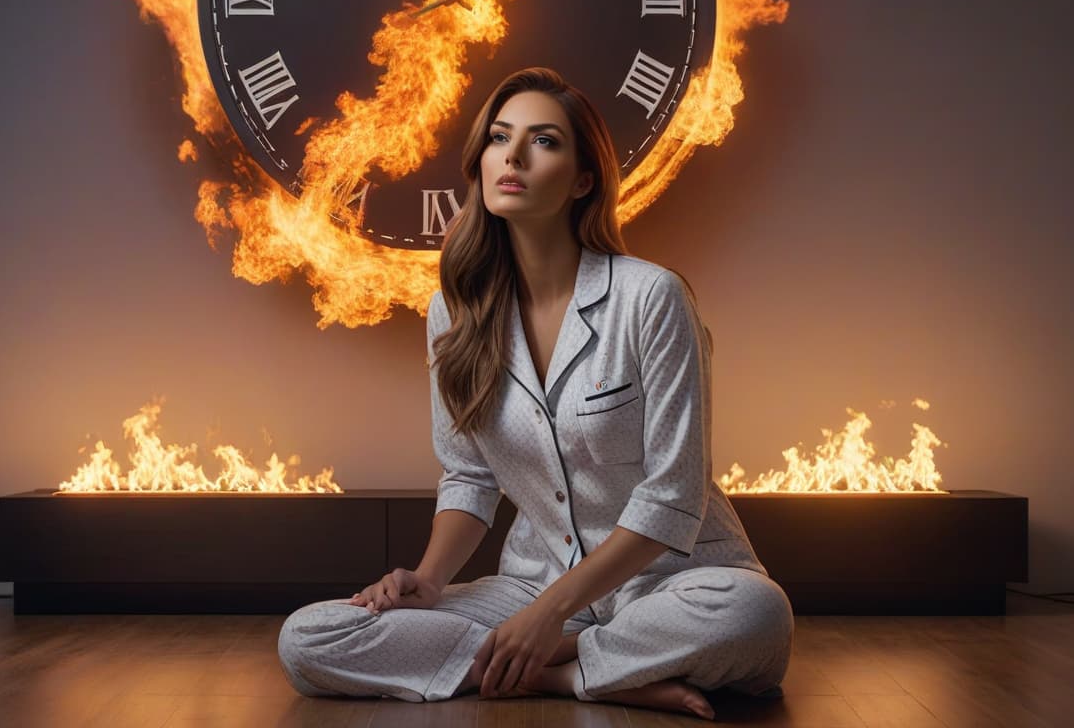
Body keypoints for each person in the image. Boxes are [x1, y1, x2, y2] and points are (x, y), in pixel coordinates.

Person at [277, 67, 792, 720]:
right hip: (529, 582)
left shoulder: (651, 298)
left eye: (543, 141)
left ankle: (546, 657)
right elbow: (469, 473)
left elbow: (673, 498)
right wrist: (430, 581)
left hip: (673, 584)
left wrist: (553, 615)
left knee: (756, 613)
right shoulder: (453, 313)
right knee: (310, 637)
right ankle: (575, 675)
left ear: (584, 180)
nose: (512, 156)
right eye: (499, 138)